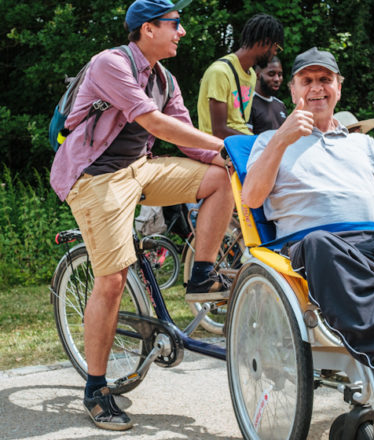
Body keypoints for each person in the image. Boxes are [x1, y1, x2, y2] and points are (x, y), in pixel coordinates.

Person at [50, 0, 235, 430]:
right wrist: (224, 145)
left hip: (139, 168)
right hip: (95, 177)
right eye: (174, 24)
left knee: (221, 177)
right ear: (147, 29)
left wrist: (233, 158)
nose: (182, 32)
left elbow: (190, 140)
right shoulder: (110, 64)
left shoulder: (164, 78)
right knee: (112, 278)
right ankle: (96, 389)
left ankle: (202, 274)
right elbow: (155, 124)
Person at [242, 47, 374, 391]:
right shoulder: (268, 141)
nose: (316, 87)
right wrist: (284, 137)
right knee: (319, 243)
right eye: (307, 80)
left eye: (325, 79)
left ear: (339, 87)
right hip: (320, 246)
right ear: (293, 90)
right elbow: (252, 197)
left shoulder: (362, 143)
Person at [197, 13, 284, 139]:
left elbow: (240, 123)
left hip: (240, 142)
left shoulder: (252, 75)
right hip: (219, 147)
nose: (275, 53)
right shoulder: (220, 72)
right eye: (276, 48)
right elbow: (219, 130)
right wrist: (257, 142)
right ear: (265, 42)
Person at [248, 56, 287, 134]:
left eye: (279, 75)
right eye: (271, 74)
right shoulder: (248, 103)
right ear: (257, 75)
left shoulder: (281, 105)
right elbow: (245, 140)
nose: (277, 79)